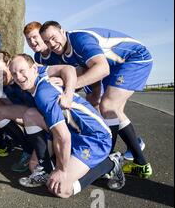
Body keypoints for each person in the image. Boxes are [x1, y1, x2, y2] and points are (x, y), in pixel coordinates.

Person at [39, 22, 152, 178]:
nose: (51, 44)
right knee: (112, 109)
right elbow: (83, 69)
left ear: (62, 32)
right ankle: (139, 160)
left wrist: (70, 88)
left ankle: (106, 160)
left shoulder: (79, 39)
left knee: (108, 105)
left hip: (134, 58)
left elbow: (102, 68)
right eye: (46, 41)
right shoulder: (62, 52)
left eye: (53, 37)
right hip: (113, 65)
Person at [9, 54, 126, 198]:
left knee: (61, 190)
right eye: (14, 73)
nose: (18, 77)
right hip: (73, 132)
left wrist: (61, 170)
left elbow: (63, 136)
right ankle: (44, 170)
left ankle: (111, 162)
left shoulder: (43, 93)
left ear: (34, 69)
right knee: (30, 115)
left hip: (94, 138)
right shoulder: (39, 81)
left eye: (22, 71)